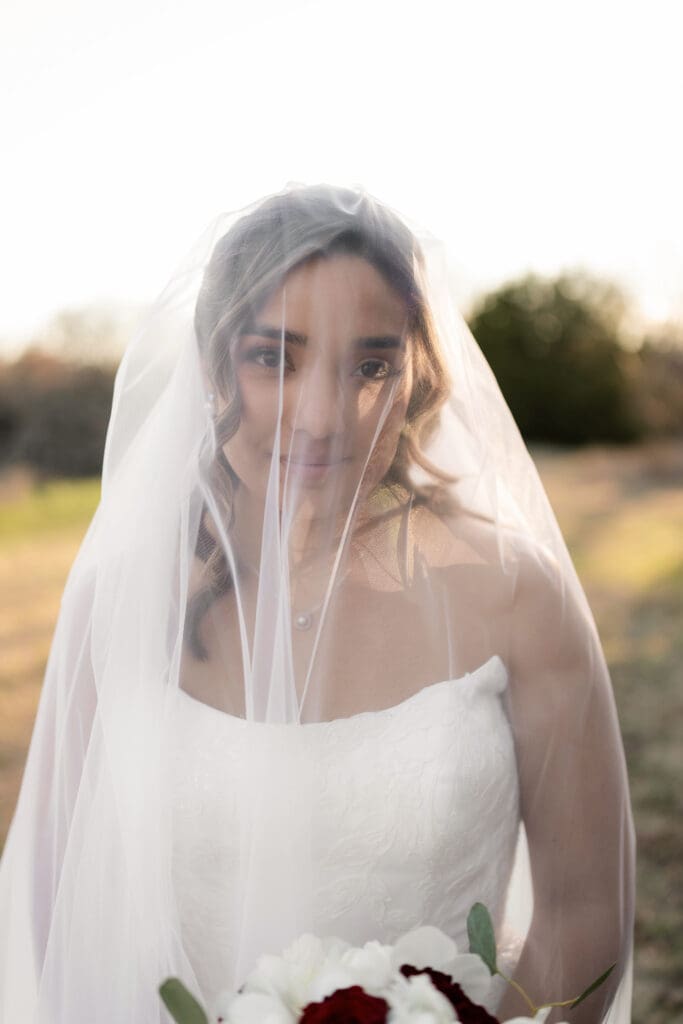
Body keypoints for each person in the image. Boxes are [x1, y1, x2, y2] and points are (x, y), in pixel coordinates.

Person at [0, 183, 634, 1023]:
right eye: (274, 358)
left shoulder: (516, 597)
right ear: (211, 364)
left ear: (420, 375)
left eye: (371, 365)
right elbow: (60, 899)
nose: (324, 416)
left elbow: (584, 910)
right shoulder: (125, 600)